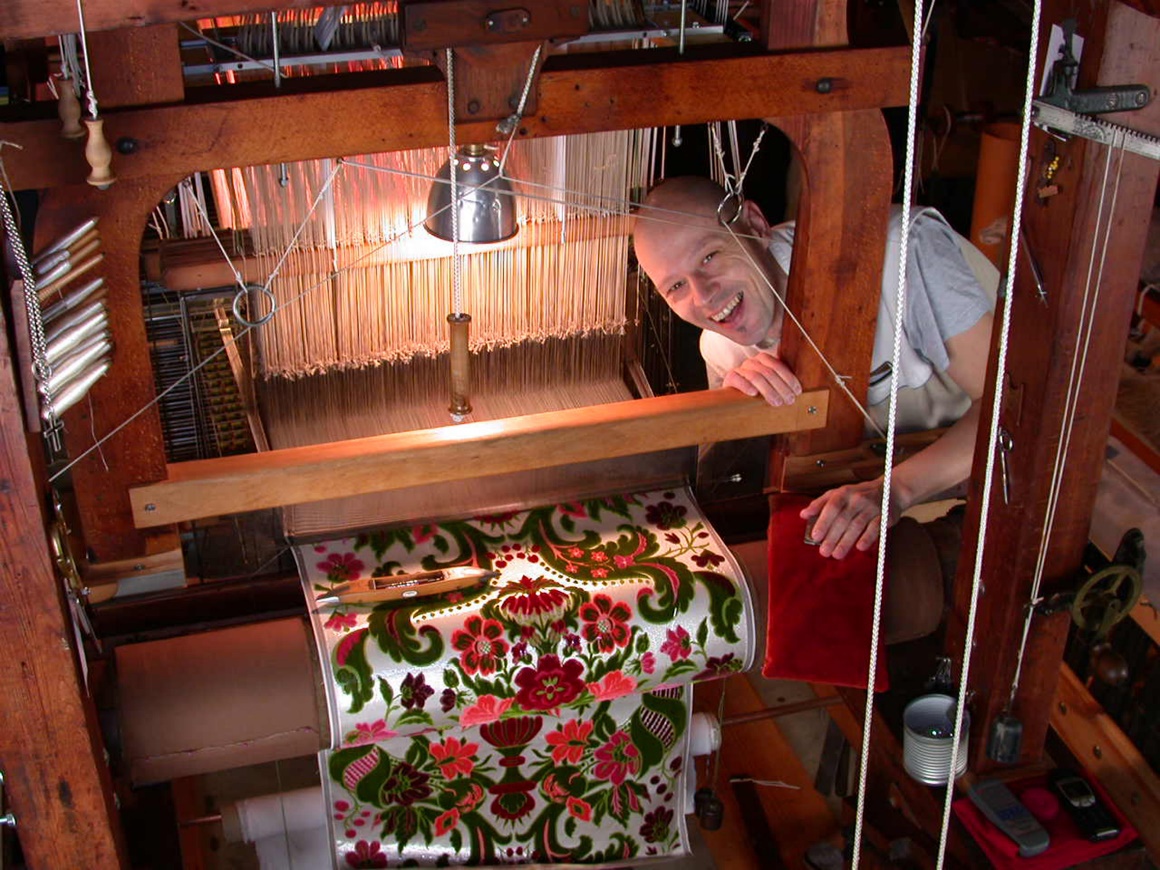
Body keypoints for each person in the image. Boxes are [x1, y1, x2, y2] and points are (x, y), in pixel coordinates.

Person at [634, 176, 997, 560]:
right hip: (900, 519)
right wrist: (748, 414)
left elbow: (1009, 408)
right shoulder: (722, 350)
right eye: (675, 287)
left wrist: (895, 490)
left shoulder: (903, 253)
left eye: (709, 257)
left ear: (755, 225)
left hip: (1005, 486)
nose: (704, 295)